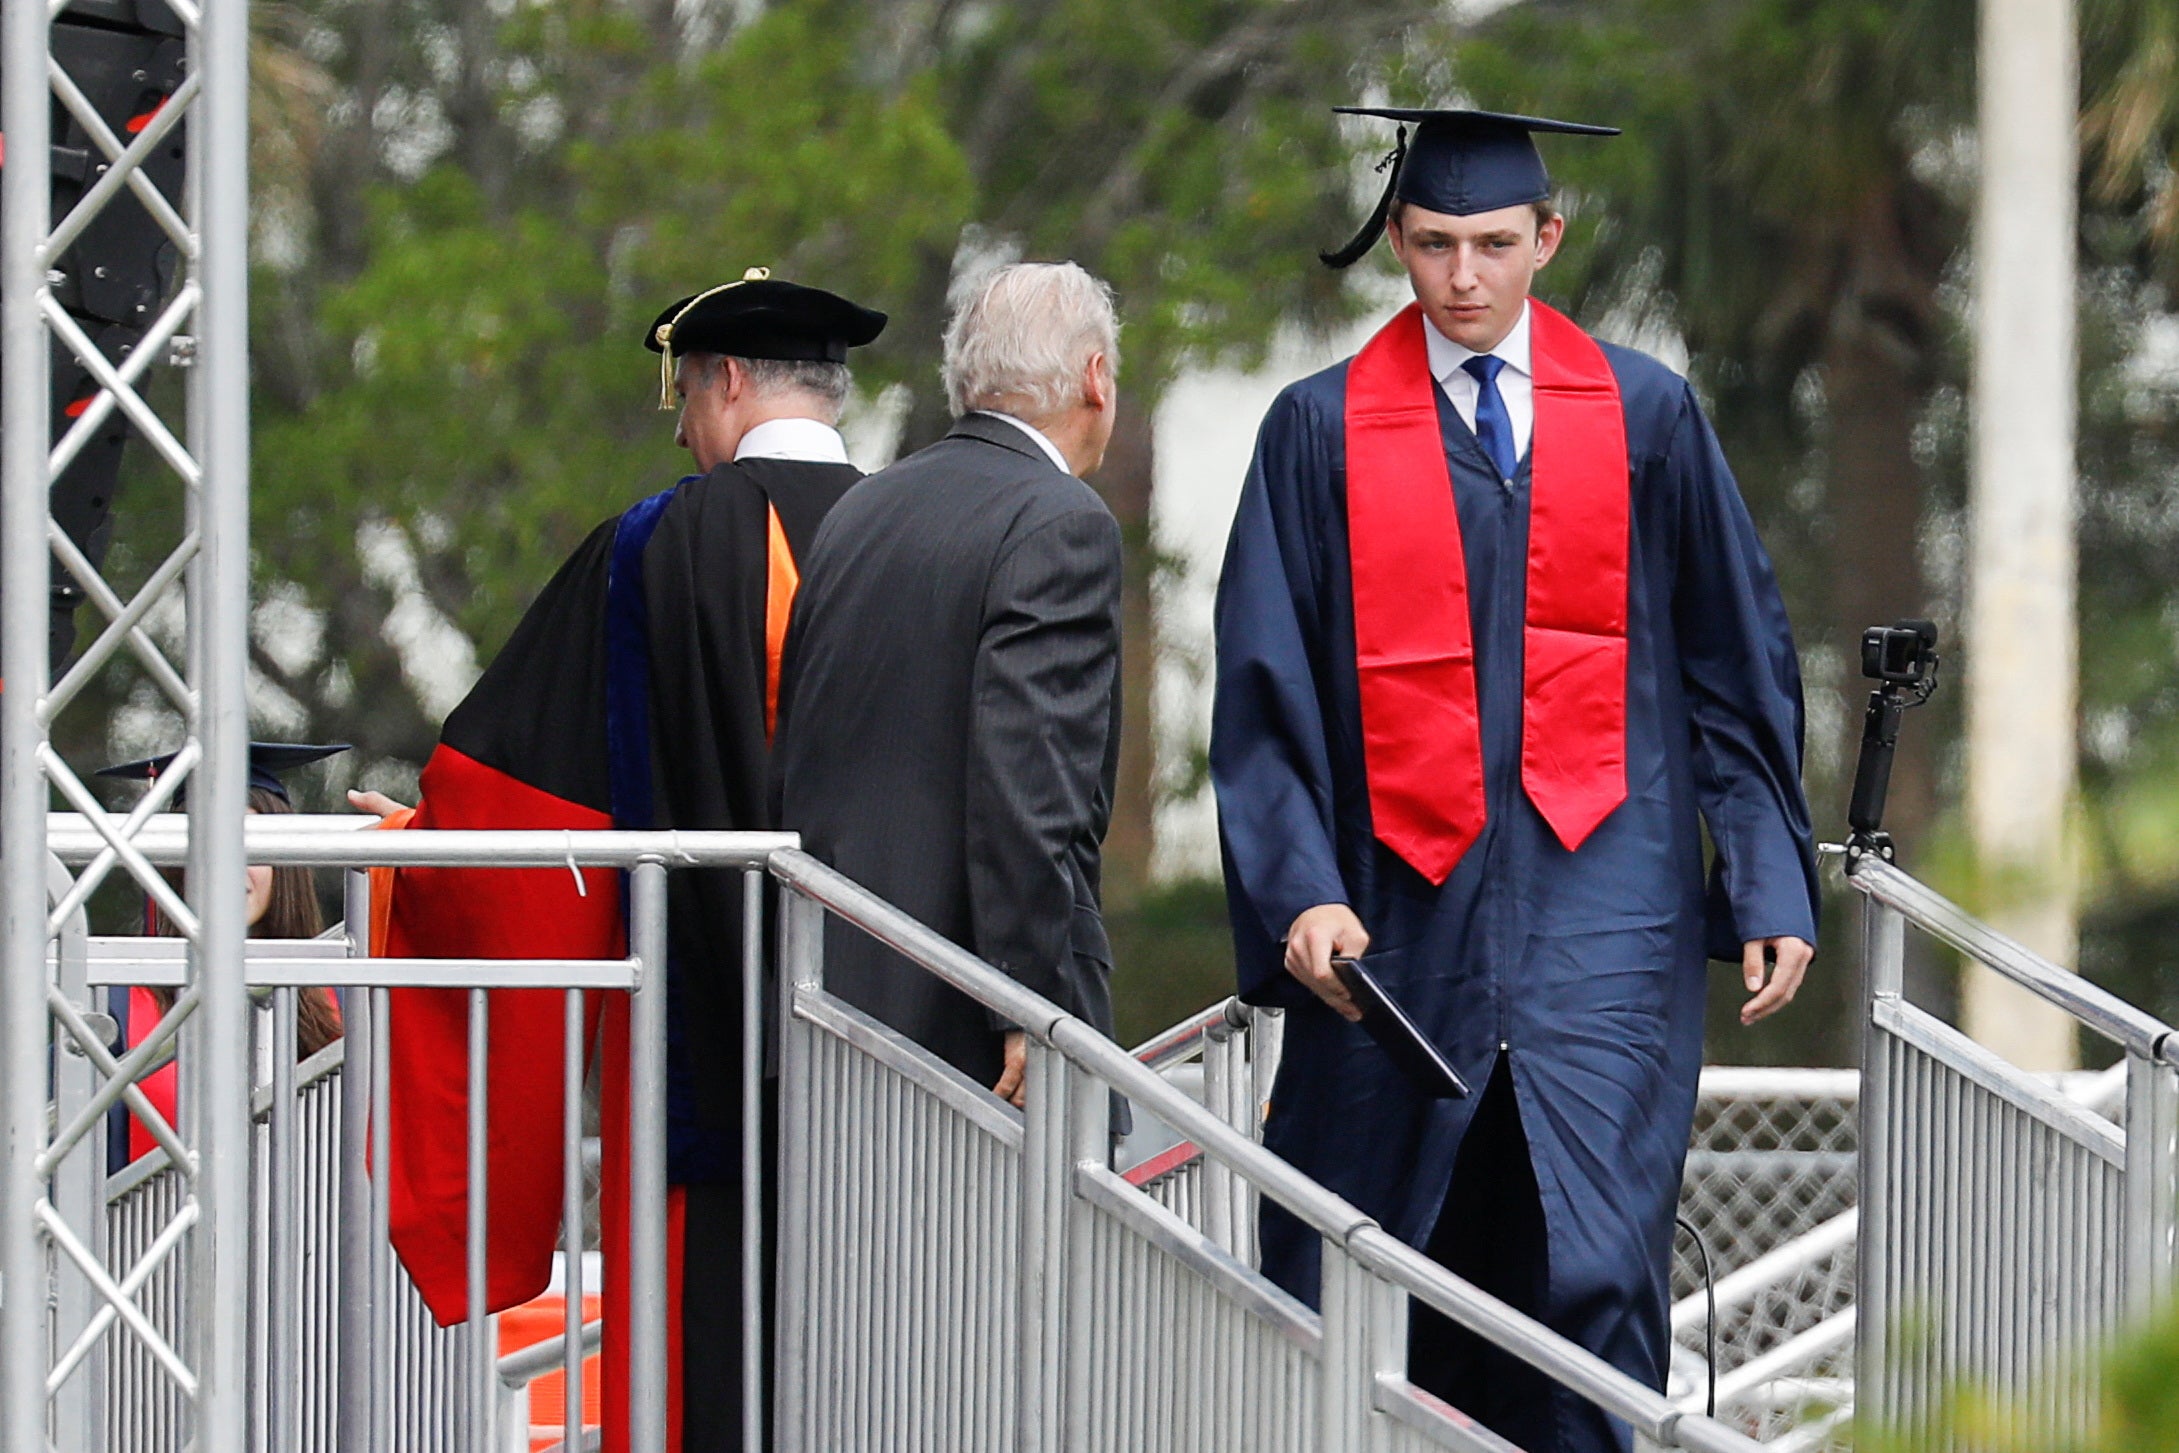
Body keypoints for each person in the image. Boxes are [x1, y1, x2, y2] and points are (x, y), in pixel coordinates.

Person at [1210, 107, 1819, 1453]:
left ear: (1548, 236)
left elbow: (1733, 663)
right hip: (1390, 923)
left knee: (1587, 1265)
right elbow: (1263, 687)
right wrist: (1296, 887)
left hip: (1603, 916)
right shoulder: (1315, 434)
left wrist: (1766, 869)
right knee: (1367, 1273)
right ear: (1397, 248)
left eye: (1492, 243)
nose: (1462, 277)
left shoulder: (1645, 418)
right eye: (1431, 245)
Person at [361, 270, 884, 1453]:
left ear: (730, 381)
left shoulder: (655, 544)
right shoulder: (912, 528)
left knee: (705, 1381)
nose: (687, 434)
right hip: (899, 1050)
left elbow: (524, 803)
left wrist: (410, 853)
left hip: (699, 1043)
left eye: (687, 402)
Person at [774, 261, 1123, 1107]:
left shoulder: (860, 510)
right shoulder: (1061, 523)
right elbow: (1028, 783)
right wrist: (1030, 999)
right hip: (978, 1036)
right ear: (1094, 379)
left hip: (832, 996)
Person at [98, 742, 349, 1169]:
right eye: (210, 847)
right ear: (178, 869)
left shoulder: (349, 1000)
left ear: (286, 863)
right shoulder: (116, 1010)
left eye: (250, 844)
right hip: (154, 1233)